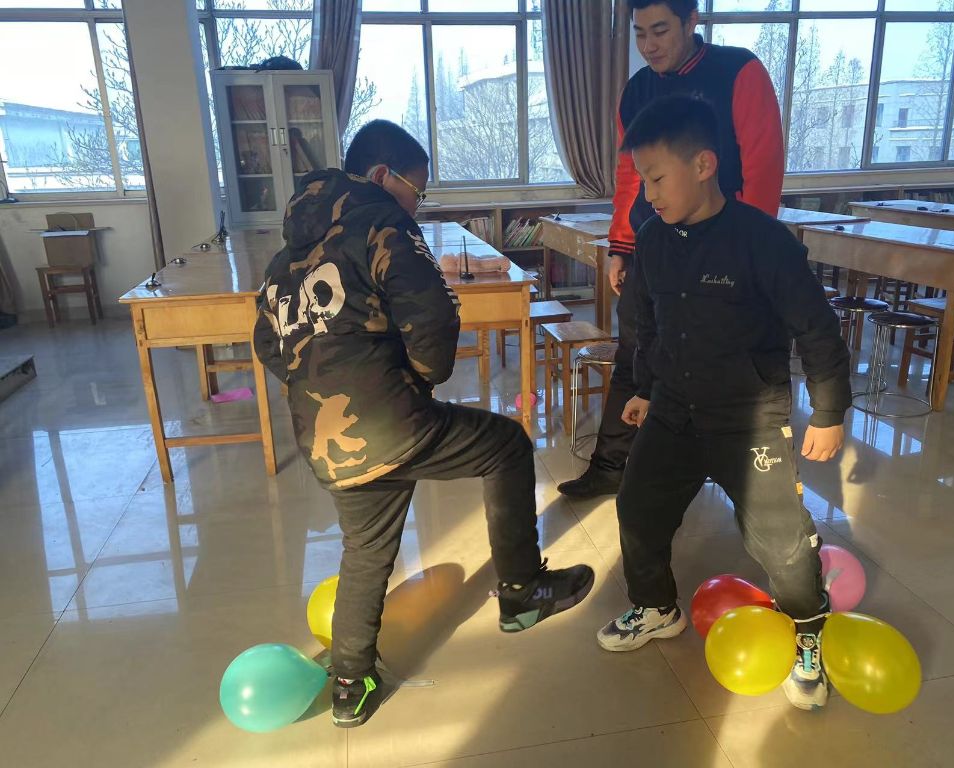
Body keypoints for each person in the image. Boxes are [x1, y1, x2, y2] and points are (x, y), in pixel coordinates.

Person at [253, 120, 594, 728]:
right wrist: (417, 380)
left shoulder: (287, 256)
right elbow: (431, 318)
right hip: (389, 419)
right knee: (506, 445)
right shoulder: (383, 223)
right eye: (418, 189)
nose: (419, 203)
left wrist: (321, 384)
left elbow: (266, 344)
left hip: (322, 437)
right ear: (383, 176)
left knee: (365, 548)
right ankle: (522, 593)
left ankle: (351, 684)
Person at [594, 96, 851, 712]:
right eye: (642, 180)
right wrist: (644, 388)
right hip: (675, 409)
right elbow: (646, 324)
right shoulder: (653, 240)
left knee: (778, 537)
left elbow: (817, 328)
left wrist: (828, 411)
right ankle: (656, 607)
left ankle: (807, 631)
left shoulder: (763, 242)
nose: (647, 194)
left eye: (657, 178)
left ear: (704, 164)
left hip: (748, 419)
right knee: (638, 506)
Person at [558, 0, 785, 499]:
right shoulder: (637, 89)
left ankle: (739, 477)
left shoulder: (738, 71)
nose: (649, 45)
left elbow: (764, 165)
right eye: (639, 33)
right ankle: (611, 464)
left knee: (714, 356)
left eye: (660, 30)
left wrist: (747, 250)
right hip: (654, 245)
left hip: (722, 248)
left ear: (691, 21)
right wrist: (621, 246)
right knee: (635, 353)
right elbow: (628, 175)